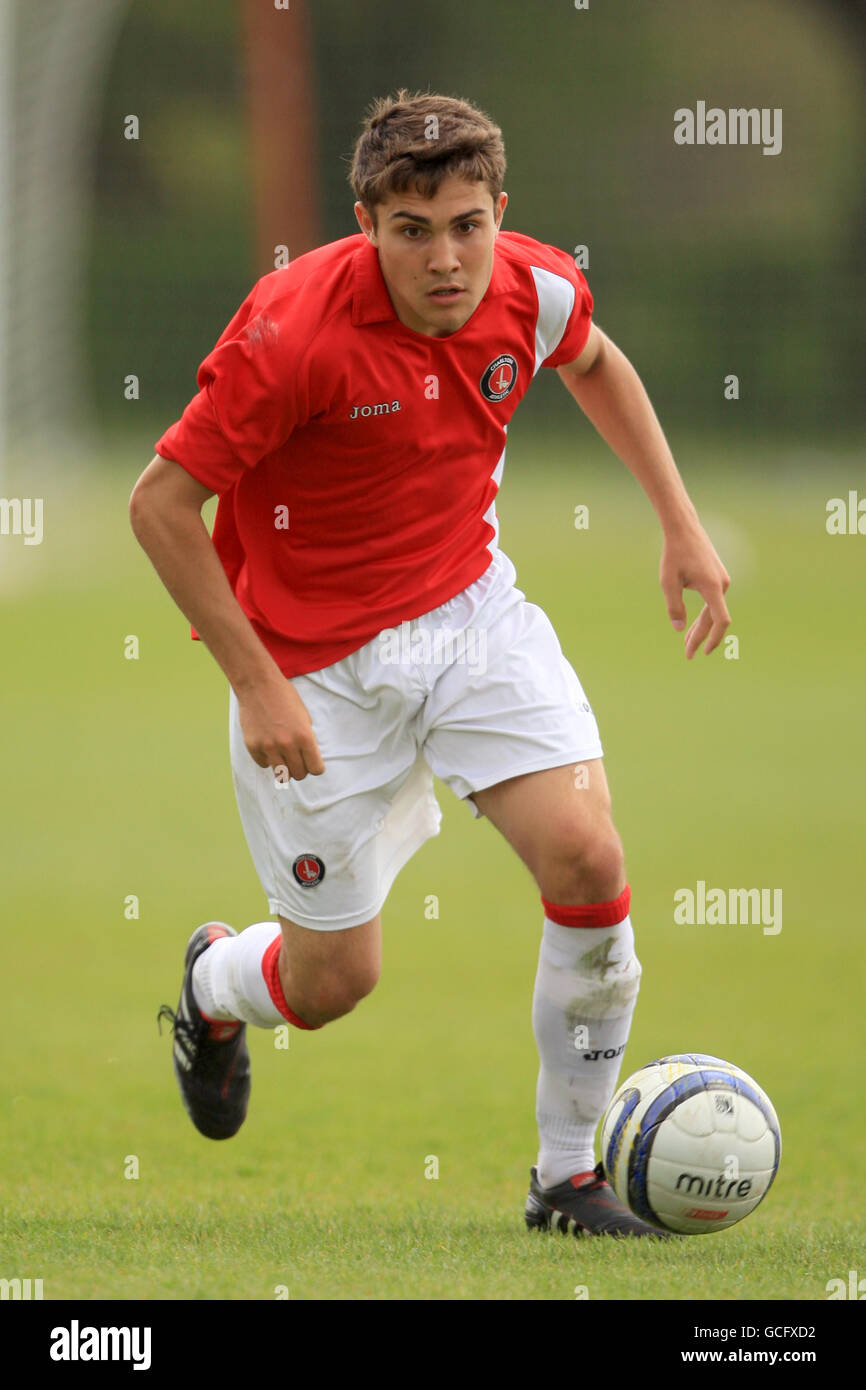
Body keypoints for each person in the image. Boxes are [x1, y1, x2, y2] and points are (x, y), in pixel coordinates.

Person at [130, 89, 730, 1239]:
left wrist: (678, 521)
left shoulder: (532, 286)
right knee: (330, 987)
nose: (445, 258)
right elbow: (160, 503)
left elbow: (594, 359)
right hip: (309, 667)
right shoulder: (290, 330)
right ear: (367, 225)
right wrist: (254, 678)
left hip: (468, 618)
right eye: (413, 231)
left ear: (500, 212)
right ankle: (214, 985)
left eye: (466, 223)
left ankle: (566, 1177)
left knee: (587, 855)